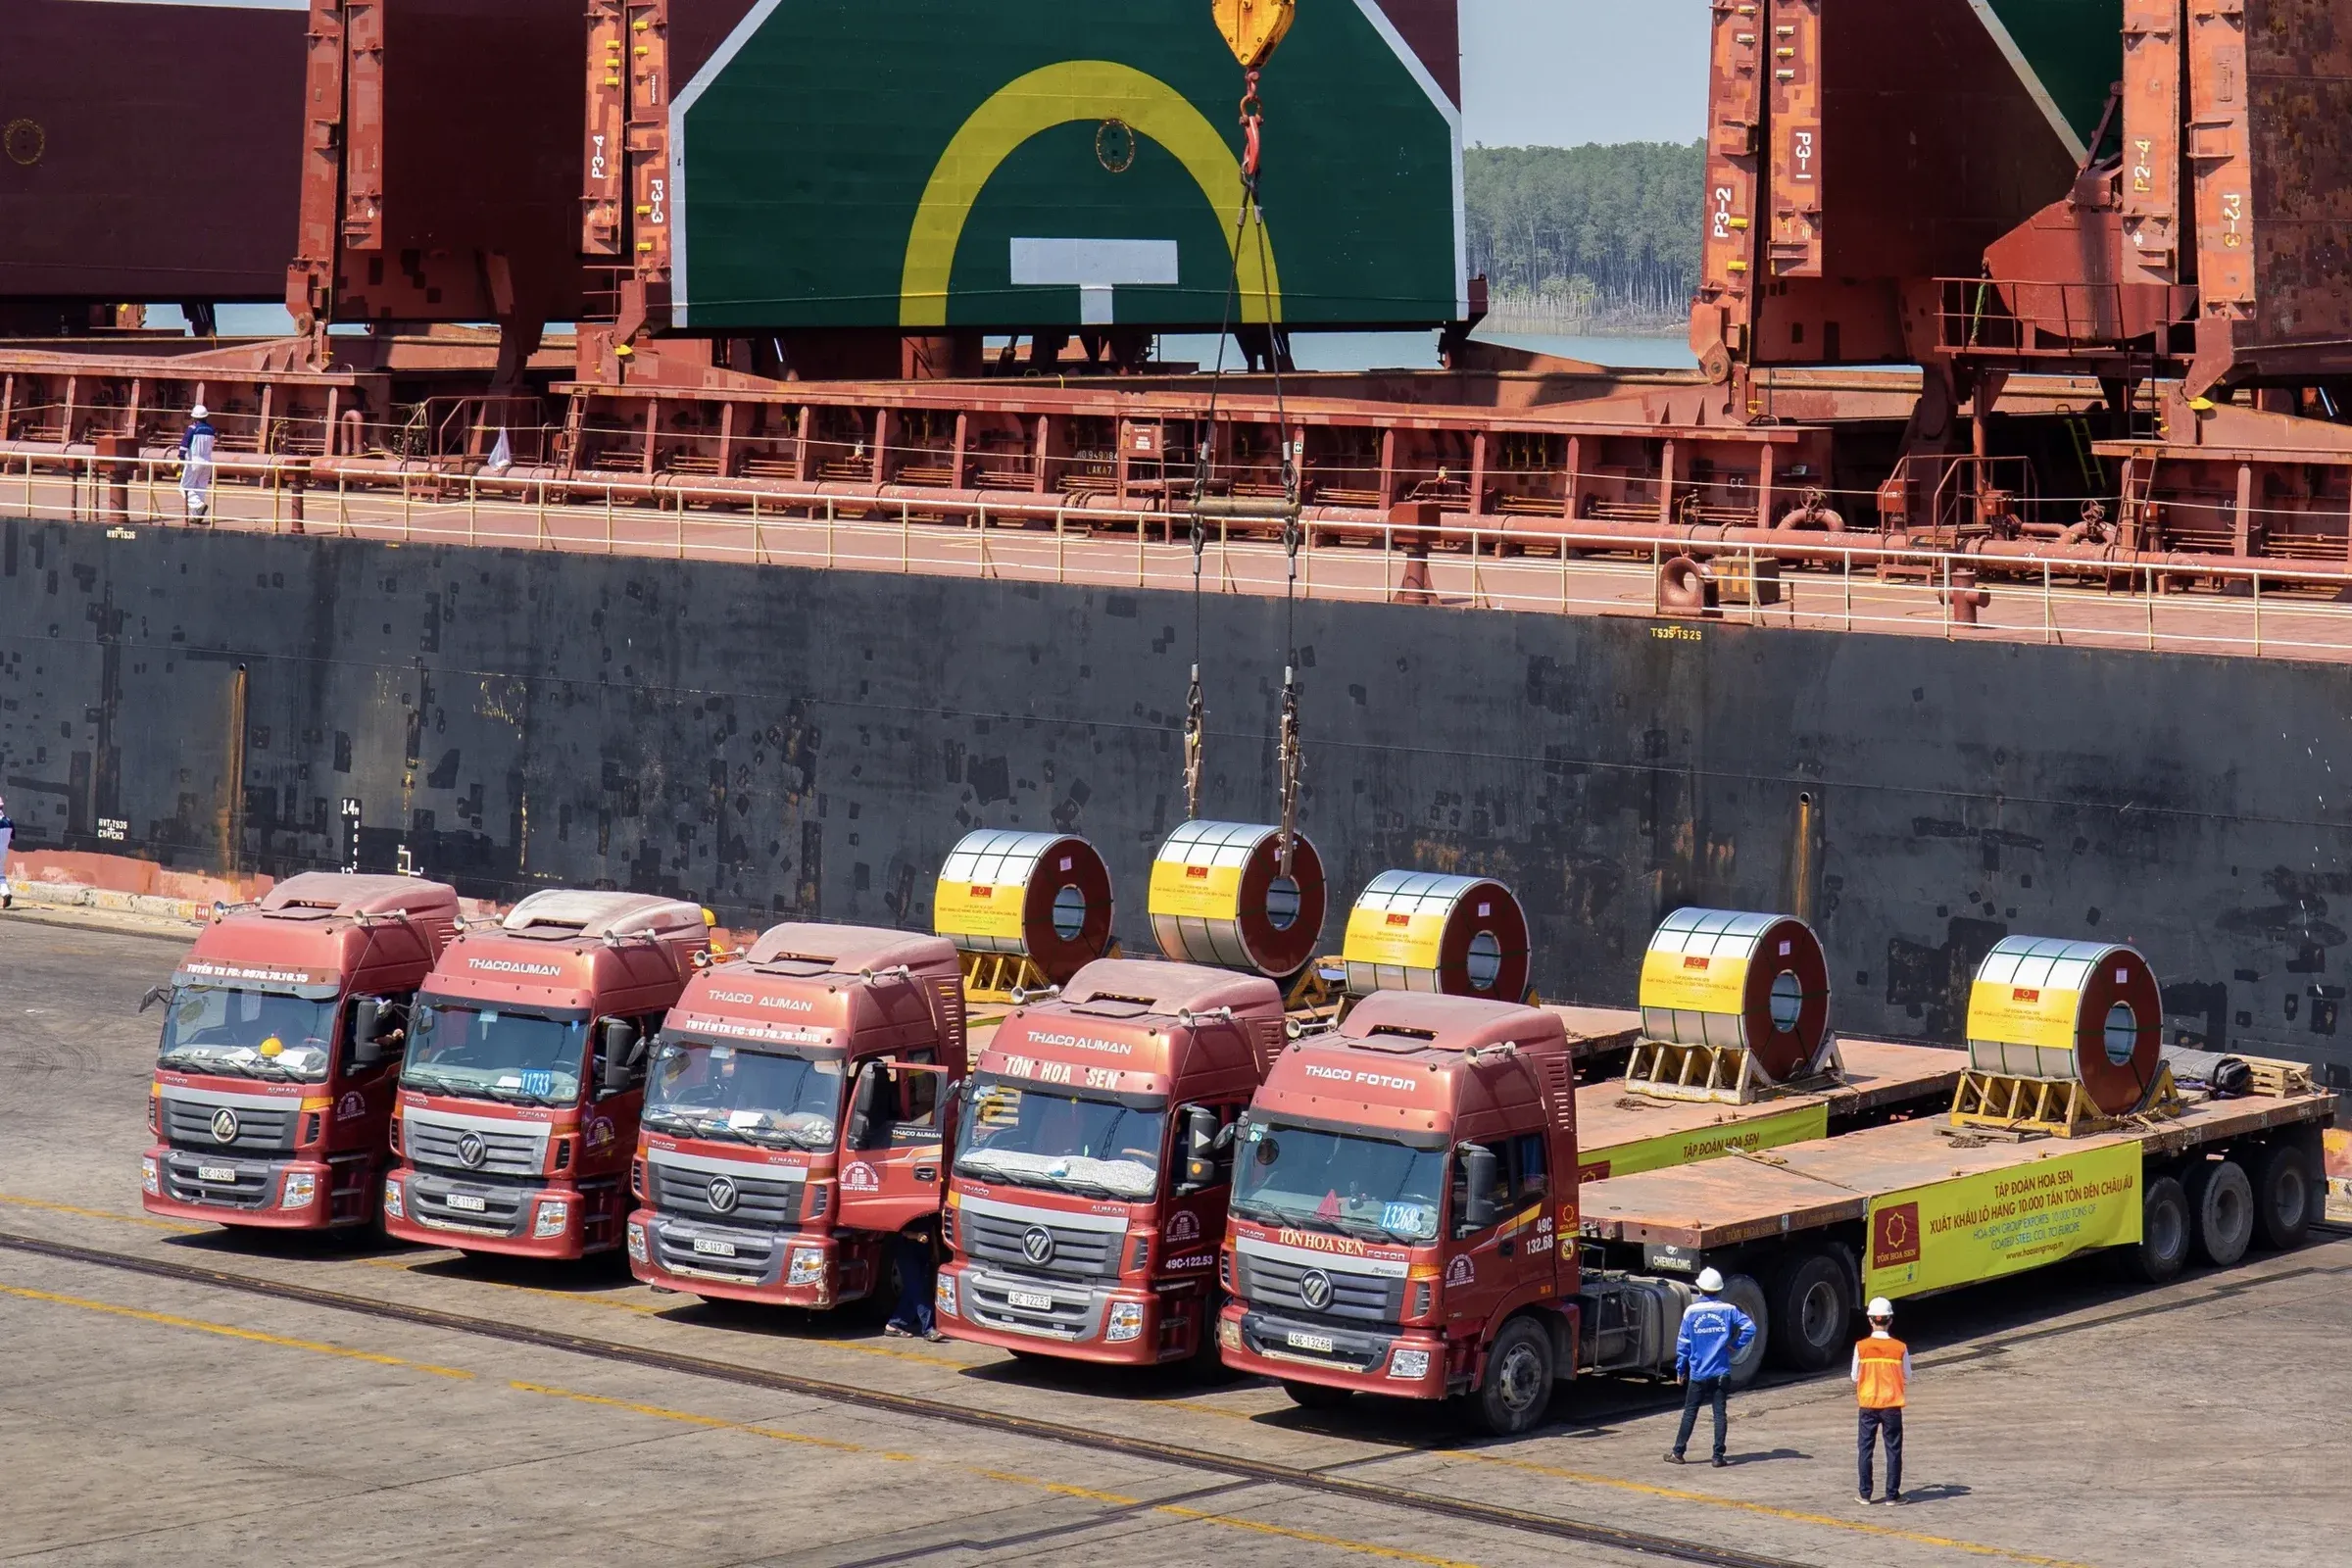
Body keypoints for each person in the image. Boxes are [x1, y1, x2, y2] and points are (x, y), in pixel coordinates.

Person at [1665, 1267, 1756, 1467]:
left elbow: (1683, 1345)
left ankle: (1678, 1453)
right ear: (1720, 1289)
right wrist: (1735, 1345)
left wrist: (1680, 1371)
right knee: (1719, 1414)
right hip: (1721, 1373)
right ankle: (1718, 1457)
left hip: (1698, 1374)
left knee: (1690, 1412)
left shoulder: (1691, 1312)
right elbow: (1750, 1328)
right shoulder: (1729, 1310)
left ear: (1699, 1288)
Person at [1854, 1296, 1911, 1504]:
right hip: (1892, 1405)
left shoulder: (1861, 1347)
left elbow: (1854, 1375)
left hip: (1868, 1404)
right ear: (1890, 1320)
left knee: (1865, 1449)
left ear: (1870, 1320)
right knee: (1893, 1450)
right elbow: (1908, 1375)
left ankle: (1865, 1494)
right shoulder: (1900, 1347)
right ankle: (1892, 1495)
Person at [885, 1219, 946, 1342]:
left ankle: (894, 1324)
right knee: (918, 1290)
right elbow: (900, 1230)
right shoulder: (912, 1207)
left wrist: (935, 1251)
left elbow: (931, 1230)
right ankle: (928, 1329)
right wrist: (916, 1236)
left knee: (912, 1290)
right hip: (907, 1253)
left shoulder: (929, 1210)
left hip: (923, 1253)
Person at [177, 404, 218, 523]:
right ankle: (197, 516)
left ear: (194, 417)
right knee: (200, 489)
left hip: (193, 462)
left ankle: (198, 505)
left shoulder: (192, 429)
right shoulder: (211, 430)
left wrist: (180, 458)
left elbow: (184, 445)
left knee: (184, 487)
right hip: (207, 463)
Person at [0, 795, 14, 909]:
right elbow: (12, 838)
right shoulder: (9, 821)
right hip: (4, 852)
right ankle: (5, 893)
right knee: (1, 876)